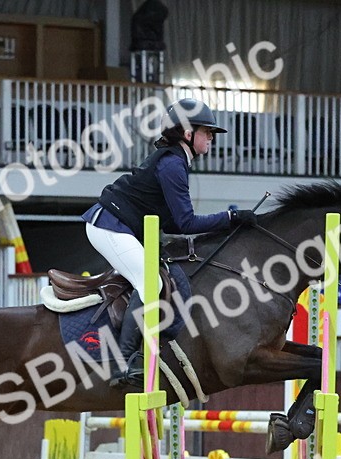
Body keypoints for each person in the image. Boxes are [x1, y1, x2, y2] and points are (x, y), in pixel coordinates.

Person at [82, 98, 256, 389]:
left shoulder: (175, 161)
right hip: (108, 226)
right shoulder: (173, 165)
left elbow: (175, 224)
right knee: (152, 283)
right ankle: (124, 363)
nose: (211, 137)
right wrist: (230, 217)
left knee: (159, 280)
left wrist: (228, 222)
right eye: (207, 131)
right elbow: (186, 224)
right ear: (188, 134)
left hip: (121, 225)